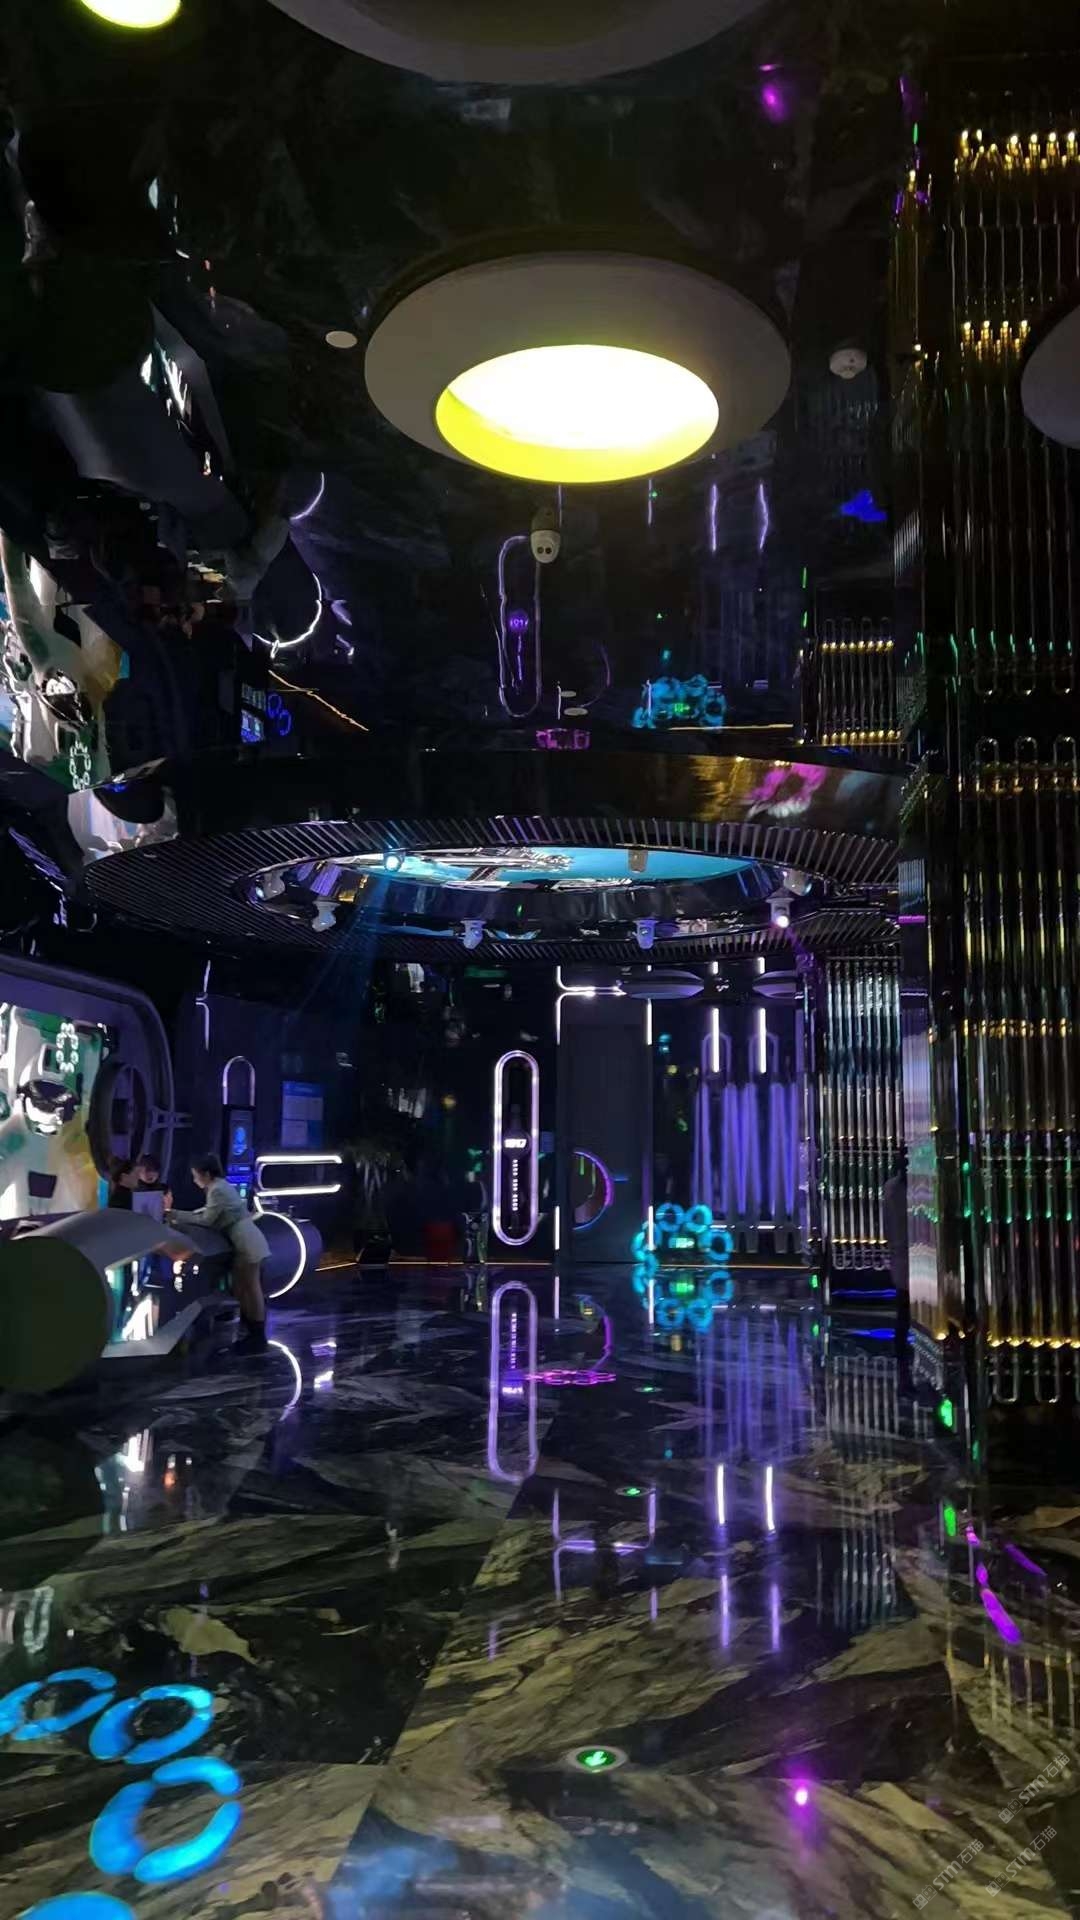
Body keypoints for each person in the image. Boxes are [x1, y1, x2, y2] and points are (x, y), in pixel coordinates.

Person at [168, 1152, 270, 1355]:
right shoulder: (219, 1187)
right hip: (245, 1241)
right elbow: (207, 1213)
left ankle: (257, 1337)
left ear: (206, 1174)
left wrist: (176, 1215)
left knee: (250, 1289)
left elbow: (207, 1219)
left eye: (196, 1175)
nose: (194, 1179)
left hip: (247, 1243)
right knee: (243, 1289)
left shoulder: (217, 1190)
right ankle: (252, 1334)